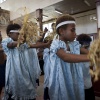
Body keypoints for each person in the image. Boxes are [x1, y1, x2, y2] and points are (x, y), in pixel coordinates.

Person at [1, 24, 51, 100]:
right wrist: (21, 41)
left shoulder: (23, 44)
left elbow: (33, 45)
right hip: (15, 72)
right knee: (16, 90)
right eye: (18, 33)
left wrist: (46, 44)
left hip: (25, 71)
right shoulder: (7, 41)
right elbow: (12, 45)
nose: (20, 35)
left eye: (21, 34)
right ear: (9, 34)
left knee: (27, 87)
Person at [48, 15, 89, 100]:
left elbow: (88, 52)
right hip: (61, 82)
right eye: (72, 30)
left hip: (73, 80)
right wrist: (91, 57)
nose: (75, 33)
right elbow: (65, 57)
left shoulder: (74, 45)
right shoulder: (56, 44)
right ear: (62, 31)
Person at [77, 34, 95, 100]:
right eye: (88, 45)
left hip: (88, 85)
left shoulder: (89, 54)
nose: (89, 47)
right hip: (79, 87)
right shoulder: (74, 56)